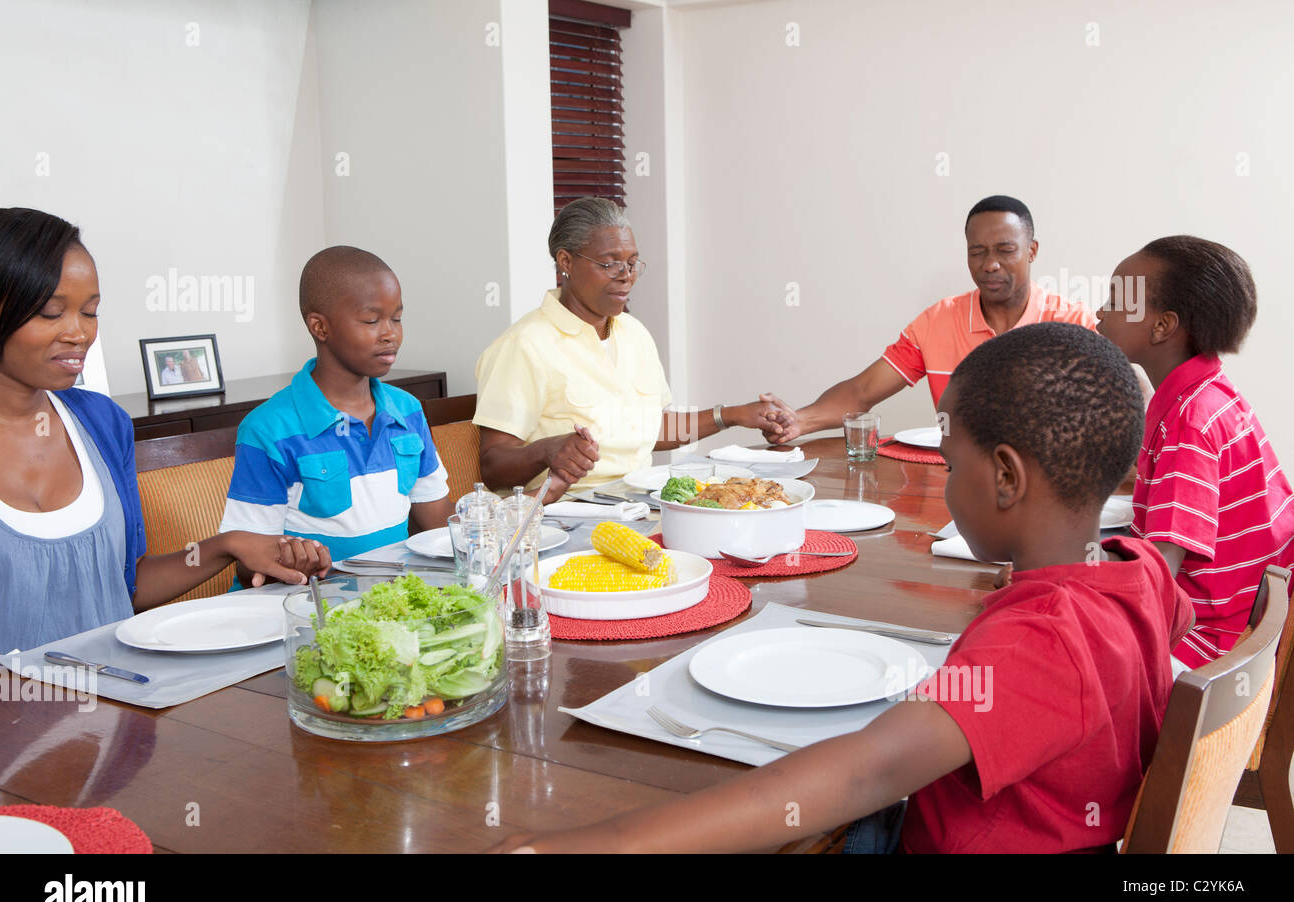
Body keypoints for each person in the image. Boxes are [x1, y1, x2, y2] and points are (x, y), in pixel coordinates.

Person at [491, 323, 1193, 853]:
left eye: (950, 467)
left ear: (1006, 477)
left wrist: (583, 847)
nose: (946, 488)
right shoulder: (1139, 567)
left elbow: (865, 775)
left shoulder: (1040, 642)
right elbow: (1176, 626)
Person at [0, 207, 330, 653]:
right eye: (52, 313)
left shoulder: (100, 422)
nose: (79, 334)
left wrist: (228, 544)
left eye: (90, 312)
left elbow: (125, 587)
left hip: (113, 704)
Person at [473, 197, 792, 500]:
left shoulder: (633, 333)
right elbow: (493, 465)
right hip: (566, 510)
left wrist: (732, 415)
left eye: (632, 264)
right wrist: (547, 450)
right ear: (566, 261)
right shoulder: (523, 345)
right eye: (609, 265)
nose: (626, 277)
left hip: (640, 503)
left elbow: (650, 427)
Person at [1096, 236, 1294, 671]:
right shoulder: (1207, 393)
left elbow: (1158, 576)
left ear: (1163, 326)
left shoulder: (1190, 422)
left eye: (1115, 301)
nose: (1099, 313)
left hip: (1202, 649)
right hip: (1230, 629)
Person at [764, 196, 1096, 443]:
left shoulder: (1074, 324)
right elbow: (863, 391)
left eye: (1005, 250)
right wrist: (800, 421)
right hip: (961, 487)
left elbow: (1121, 408)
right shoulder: (938, 320)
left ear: (1032, 251)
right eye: (977, 251)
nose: (990, 264)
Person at [219, 246, 451, 573]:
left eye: (397, 318)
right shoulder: (269, 429)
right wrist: (291, 557)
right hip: (308, 604)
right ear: (320, 327)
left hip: (394, 601)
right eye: (372, 320)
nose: (391, 334)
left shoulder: (408, 410)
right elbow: (248, 563)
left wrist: (507, 512)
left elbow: (437, 525)